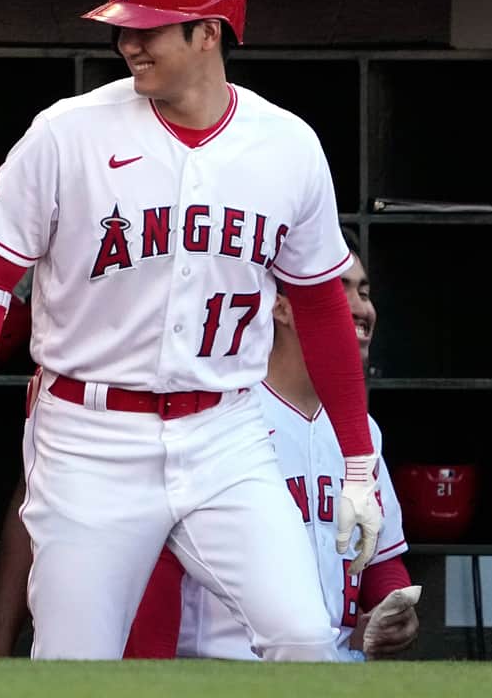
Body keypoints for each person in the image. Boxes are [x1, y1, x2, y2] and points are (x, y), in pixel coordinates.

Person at [0, 0, 382, 661]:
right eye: (122, 26)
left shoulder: (288, 146)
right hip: (90, 437)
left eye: (148, 27)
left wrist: (359, 464)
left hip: (226, 433)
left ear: (208, 32)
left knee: (304, 636)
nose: (127, 42)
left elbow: (319, 305)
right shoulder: (67, 133)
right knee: (72, 660)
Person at [124, 233, 419, 661]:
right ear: (280, 307)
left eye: (365, 292)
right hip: (224, 669)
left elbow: (379, 561)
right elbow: (157, 571)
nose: (362, 307)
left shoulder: (363, 433)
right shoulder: (219, 416)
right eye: (341, 289)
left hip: (331, 668)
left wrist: (394, 610)